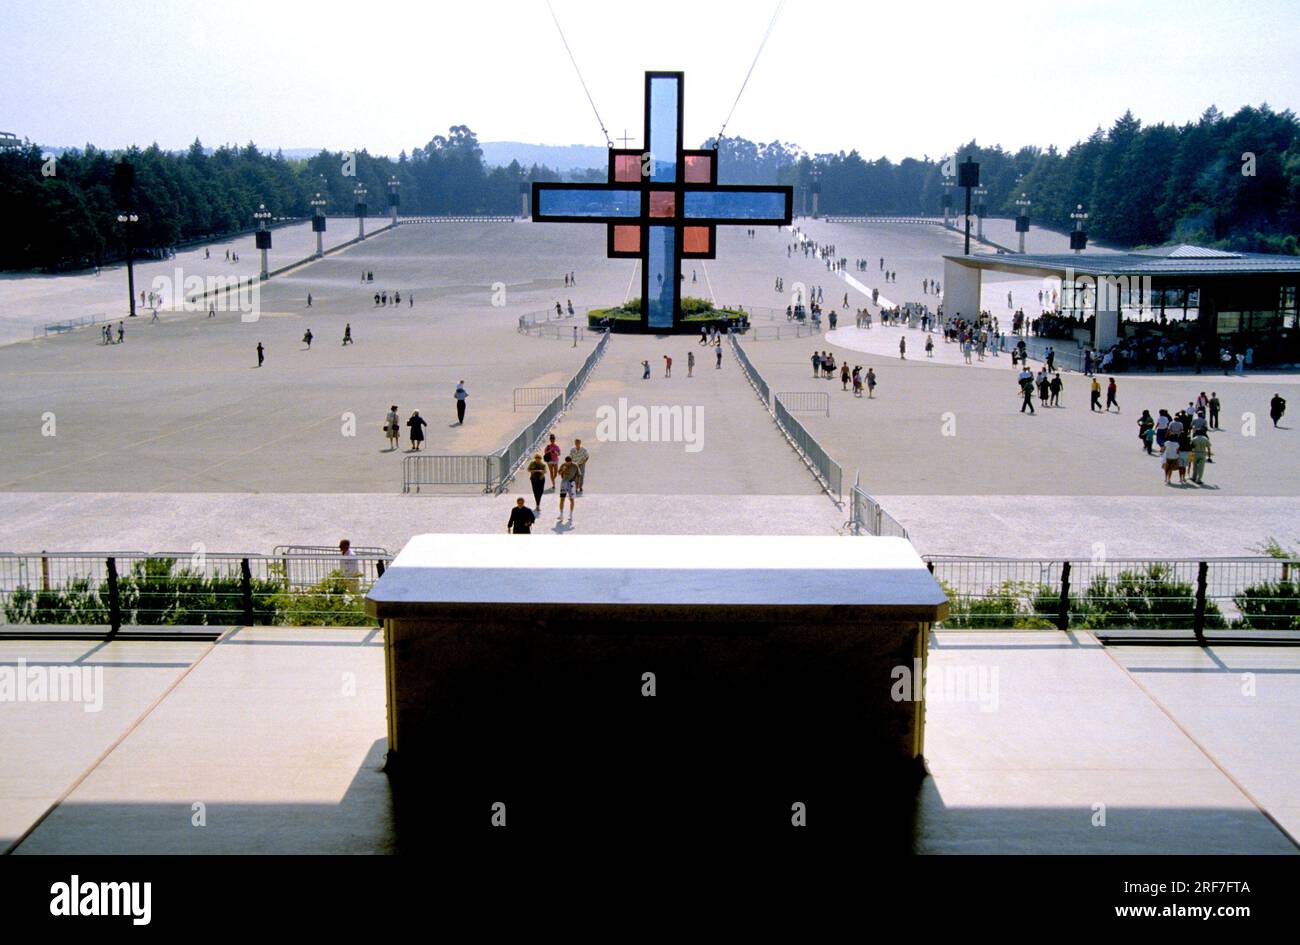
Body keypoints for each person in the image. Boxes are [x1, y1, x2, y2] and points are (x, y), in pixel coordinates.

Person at [557, 455, 579, 521]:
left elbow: (578, 475)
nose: (568, 463)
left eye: (569, 462)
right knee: (562, 499)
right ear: (565, 461)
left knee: (571, 499)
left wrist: (577, 486)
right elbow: (559, 473)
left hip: (572, 483)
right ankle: (561, 514)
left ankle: (571, 515)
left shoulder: (575, 466)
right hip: (564, 482)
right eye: (567, 462)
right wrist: (563, 470)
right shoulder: (563, 465)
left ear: (571, 461)